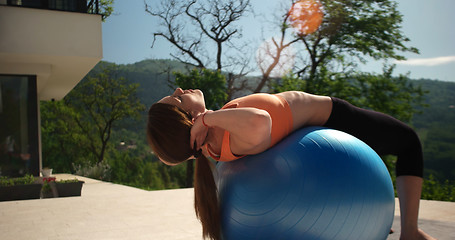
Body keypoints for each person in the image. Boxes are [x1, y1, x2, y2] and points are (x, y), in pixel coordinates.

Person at [147, 88, 435, 240]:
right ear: (188, 121)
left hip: (319, 138)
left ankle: (371, 210)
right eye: (176, 97)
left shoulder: (215, 141)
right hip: (334, 119)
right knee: (408, 141)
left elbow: (168, 156)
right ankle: (410, 231)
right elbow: (262, 122)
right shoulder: (222, 133)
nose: (180, 89)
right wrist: (206, 118)